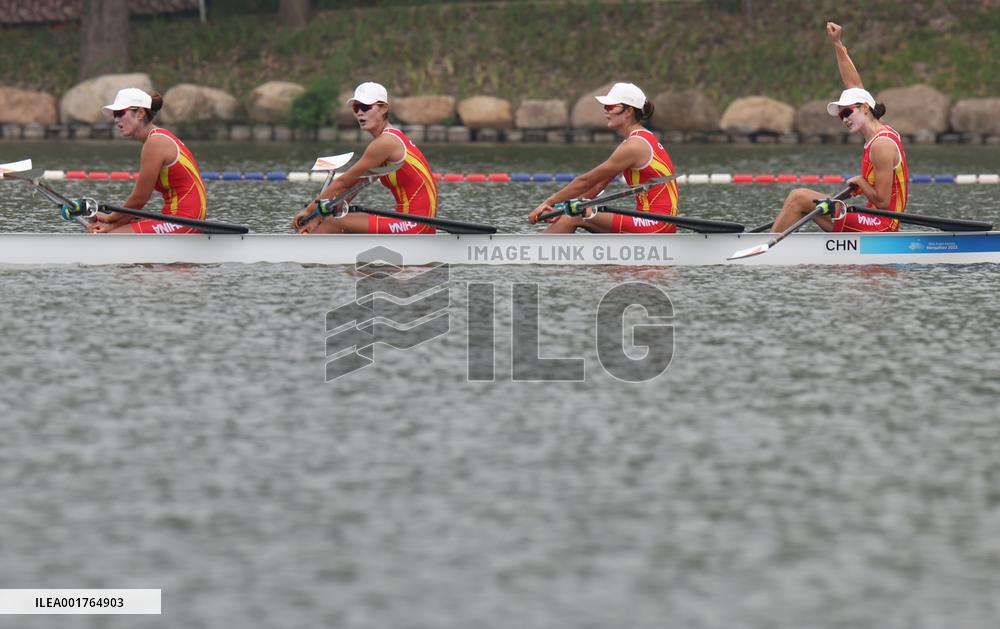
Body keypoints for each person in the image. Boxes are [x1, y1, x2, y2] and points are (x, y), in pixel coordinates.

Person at [771, 22, 908, 233]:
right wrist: (837, 43)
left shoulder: (881, 144)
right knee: (802, 201)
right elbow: (853, 83)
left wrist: (861, 182)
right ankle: (776, 243)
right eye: (840, 115)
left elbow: (881, 202)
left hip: (883, 225)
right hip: (874, 219)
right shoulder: (878, 129)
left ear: (864, 108)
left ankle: (764, 249)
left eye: (846, 112)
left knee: (799, 197)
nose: (844, 119)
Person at [528, 82, 679, 233]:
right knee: (572, 213)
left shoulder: (634, 146)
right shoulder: (638, 140)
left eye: (611, 107)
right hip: (648, 220)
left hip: (657, 223)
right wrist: (561, 208)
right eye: (605, 107)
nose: (606, 111)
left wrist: (549, 202)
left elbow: (585, 181)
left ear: (628, 111)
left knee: (575, 216)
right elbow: (598, 185)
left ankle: (532, 254)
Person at [293, 82, 437, 234]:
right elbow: (354, 186)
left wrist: (310, 211)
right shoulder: (389, 139)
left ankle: (303, 254)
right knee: (330, 218)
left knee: (330, 222)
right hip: (413, 221)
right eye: (356, 108)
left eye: (366, 107)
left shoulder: (385, 143)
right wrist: (325, 211)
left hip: (416, 223)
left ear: (384, 108)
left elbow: (343, 182)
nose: (360, 113)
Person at [88, 88, 207, 234]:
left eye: (120, 113)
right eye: (114, 115)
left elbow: (140, 199)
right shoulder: (158, 137)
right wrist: (113, 223)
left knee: (110, 236)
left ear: (140, 113)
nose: (116, 119)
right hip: (178, 218)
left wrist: (110, 219)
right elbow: (137, 204)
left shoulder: (155, 143)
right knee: (108, 231)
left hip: (185, 219)